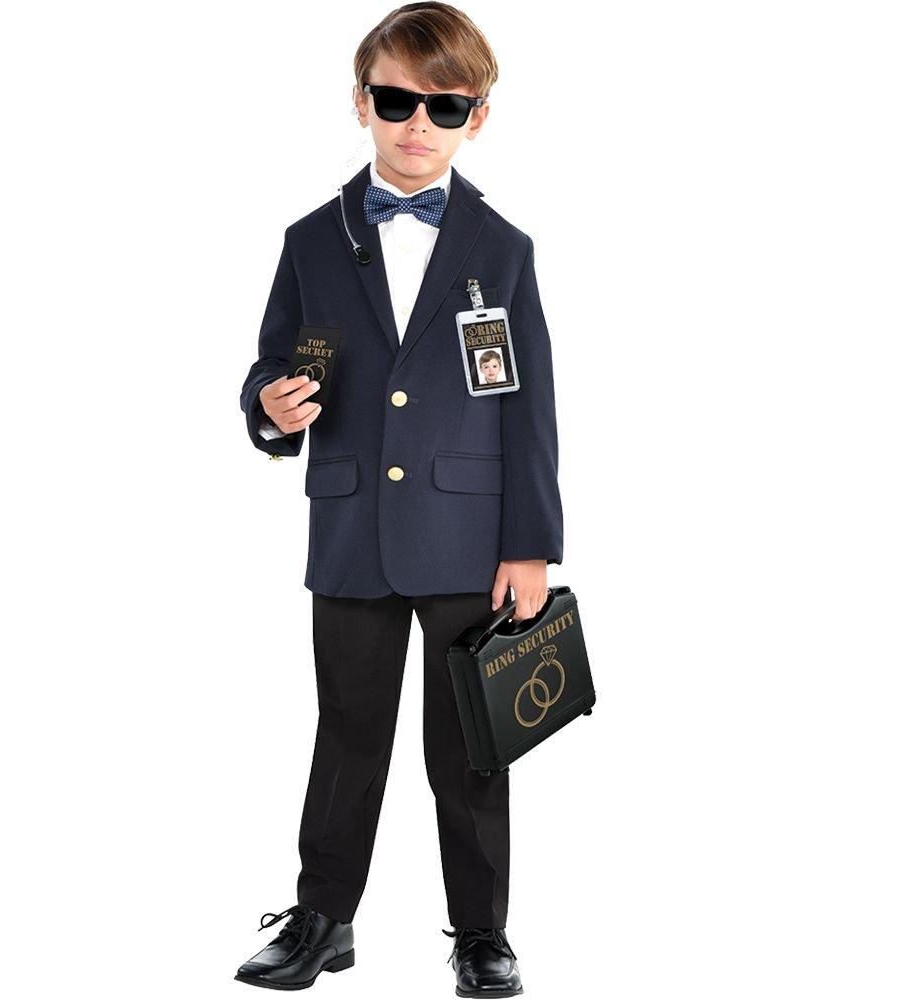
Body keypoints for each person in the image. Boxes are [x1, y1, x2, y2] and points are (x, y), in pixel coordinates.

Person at [235, 4, 563, 995]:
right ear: (360, 103)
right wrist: (271, 406)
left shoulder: (502, 247)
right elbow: (278, 363)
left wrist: (531, 544)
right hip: (349, 528)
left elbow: (529, 407)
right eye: (395, 100)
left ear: (477, 117)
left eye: (445, 105)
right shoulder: (312, 239)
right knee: (346, 731)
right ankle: (323, 915)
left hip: (470, 535)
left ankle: (482, 932)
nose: (418, 122)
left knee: (471, 744)